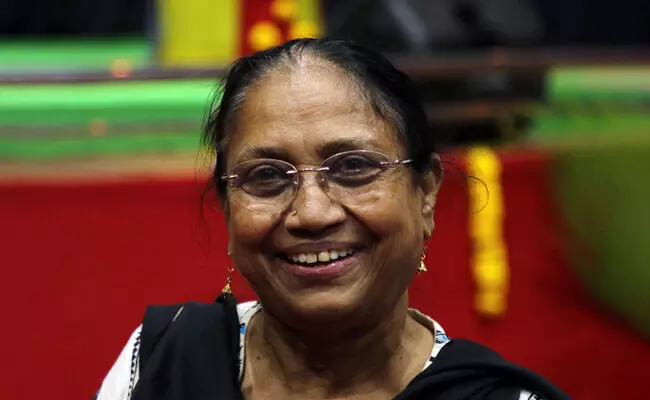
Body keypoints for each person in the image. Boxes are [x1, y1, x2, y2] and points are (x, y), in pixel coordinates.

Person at [96, 38, 569, 400]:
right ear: (226, 207)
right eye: (267, 176)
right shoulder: (159, 363)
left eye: (353, 167)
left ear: (426, 192)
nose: (312, 213)